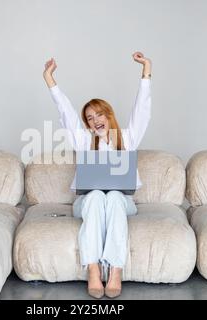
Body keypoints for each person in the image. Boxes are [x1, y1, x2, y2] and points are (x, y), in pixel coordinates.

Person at [42, 52, 152, 298]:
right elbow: (66, 114)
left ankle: (115, 270)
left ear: (108, 115)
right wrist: (49, 79)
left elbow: (142, 110)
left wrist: (146, 70)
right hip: (87, 202)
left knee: (112, 196)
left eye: (99, 114)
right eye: (90, 118)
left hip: (122, 202)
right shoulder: (83, 140)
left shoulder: (128, 137)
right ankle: (93, 269)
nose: (95, 120)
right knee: (94, 197)